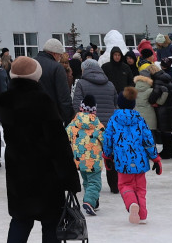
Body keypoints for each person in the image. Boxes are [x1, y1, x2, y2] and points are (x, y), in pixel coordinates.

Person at [0, 55, 80, 243]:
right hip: (46, 174)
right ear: (36, 75)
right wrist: (70, 179)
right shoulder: (43, 101)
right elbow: (58, 144)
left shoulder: (4, 100)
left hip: (18, 172)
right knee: (51, 224)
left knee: (20, 220)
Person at [102, 87, 160, 225]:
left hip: (122, 161)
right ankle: (142, 213)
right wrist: (155, 158)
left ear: (119, 103)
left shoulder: (114, 119)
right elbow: (148, 140)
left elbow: (108, 139)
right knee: (140, 188)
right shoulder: (140, 119)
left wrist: (107, 156)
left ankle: (132, 203)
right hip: (140, 161)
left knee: (125, 185)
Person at [72, 55, 117, 193]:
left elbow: (76, 104)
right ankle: (114, 185)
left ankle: (91, 186)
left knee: (90, 156)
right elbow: (116, 104)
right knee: (110, 154)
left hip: (89, 127)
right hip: (109, 125)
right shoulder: (110, 84)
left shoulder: (81, 83)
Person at [66, 95, 104, 218]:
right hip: (94, 161)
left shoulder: (73, 123)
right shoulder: (98, 125)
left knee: (87, 181)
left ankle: (93, 201)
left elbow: (65, 136)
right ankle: (89, 202)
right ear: (94, 110)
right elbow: (106, 140)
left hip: (79, 160)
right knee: (95, 183)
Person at [33, 38, 75, 124]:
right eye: (59, 55)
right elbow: (63, 97)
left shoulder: (31, 63)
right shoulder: (57, 67)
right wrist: (69, 119)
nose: (59, 59)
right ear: (54, 53)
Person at [150, 59, 172, 160]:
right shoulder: (166, 77)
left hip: (163, 108)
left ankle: (167, 152)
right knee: (168, 131)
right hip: (169, 106)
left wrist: (151, 100)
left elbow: (156, 93)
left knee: (164, 131)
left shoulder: (158, 80)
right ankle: (171, 151)